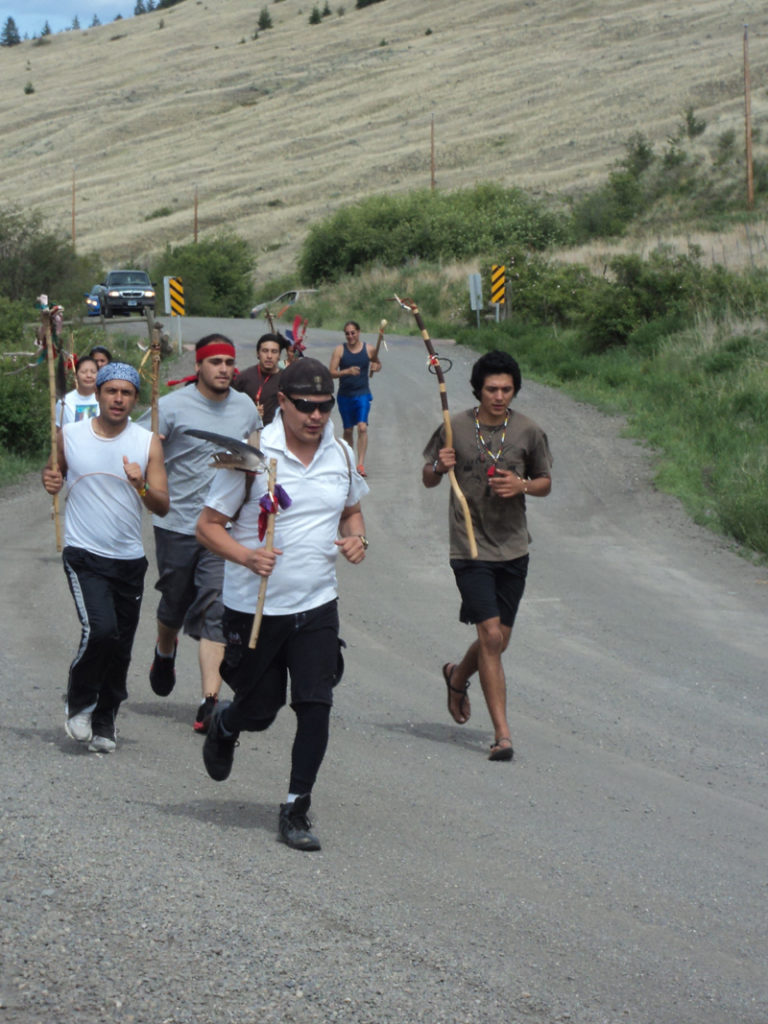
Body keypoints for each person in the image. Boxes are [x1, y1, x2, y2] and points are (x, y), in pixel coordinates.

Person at [196, 357, 369, 852]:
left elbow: (352, 513)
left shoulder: (338, 451)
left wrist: (358, 541)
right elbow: (206, 527)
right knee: (261, 709)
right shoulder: (252, 456)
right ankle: (227, 724)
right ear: (283, 404)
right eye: (306, 407)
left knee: (316, 705)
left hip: (316, 604)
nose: (316, 416)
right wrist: (247, 556)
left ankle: (296, 806)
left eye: (324, 406)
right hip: (254, 610)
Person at [422, 350, 552, 762]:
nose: (499, 396)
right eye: (492, 389)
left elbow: (545, 482)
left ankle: (457, 677)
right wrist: (439, 469)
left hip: (514, 547)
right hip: (470, 547)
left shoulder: (529, 431)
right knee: (491, 637)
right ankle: (503, 735)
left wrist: (523, 486)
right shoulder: (454, 427)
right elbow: (427, 477)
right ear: (478, 389)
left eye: (506, 389)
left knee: (501, 641)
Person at [41, 362, 169, 753]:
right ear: (97, 394)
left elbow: (161, 505)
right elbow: (53, 474)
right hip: (83, 553)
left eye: (126, 392)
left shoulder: (147, 442)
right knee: (100, 630)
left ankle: (105, 718)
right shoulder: (70, 436)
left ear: (135, 398)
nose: (118, 399)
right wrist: (50, 480)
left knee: (121, 645)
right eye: (111, 391)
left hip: (128, 558)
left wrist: (140, 483)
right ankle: (79, 702)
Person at [139, 334, 262, 733]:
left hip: (221, 526)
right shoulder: (171, 408)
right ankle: (164, 650)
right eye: (216, 362)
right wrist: (149, 451)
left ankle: (210, 701)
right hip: (176, 523)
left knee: (215, 609)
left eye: (230, 361)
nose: (225, 369)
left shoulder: (245, 407)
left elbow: (258, 454)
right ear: (200, 366)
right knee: (174, 603)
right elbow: (137, 445)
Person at [328, 320, 382, 477]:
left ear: (359, 332)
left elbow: (377, 364)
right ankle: (350, 463)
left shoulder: (369, 349)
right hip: (345, 395)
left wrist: (376, 367)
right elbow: (331, 372)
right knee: (348, 430)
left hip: (362, 394)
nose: (350, 336)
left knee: (362, 427)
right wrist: (346, 372)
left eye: (353, 333)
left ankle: (360, 464)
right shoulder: (340, 350)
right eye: (347, 333)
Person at [232, 332, 285, 425]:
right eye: (265, 351)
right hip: (248, 431)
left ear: (279, 355)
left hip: (275, 434)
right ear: (258, 353)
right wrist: (249, 412)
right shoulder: (243, 377)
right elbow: (230, 406)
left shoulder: (286, 379)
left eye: (274, 351)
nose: (269, 356)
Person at [56, 355, 99, 426]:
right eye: (84, 372)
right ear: (76, 375)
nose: (89, 375)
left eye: (93, 372)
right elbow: (58, 432)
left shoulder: (104, 400)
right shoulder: (64, 402)